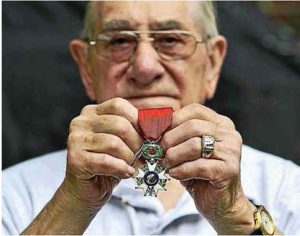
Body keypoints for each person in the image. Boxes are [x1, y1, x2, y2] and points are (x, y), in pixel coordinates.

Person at [2, 1, 299, 235]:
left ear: (211, 63)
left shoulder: (286, 187)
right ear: (86, 67)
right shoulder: (13, 194)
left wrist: (237, 216)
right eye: (119, 41)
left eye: (170, 40)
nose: (144, 67)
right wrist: (71, 207)